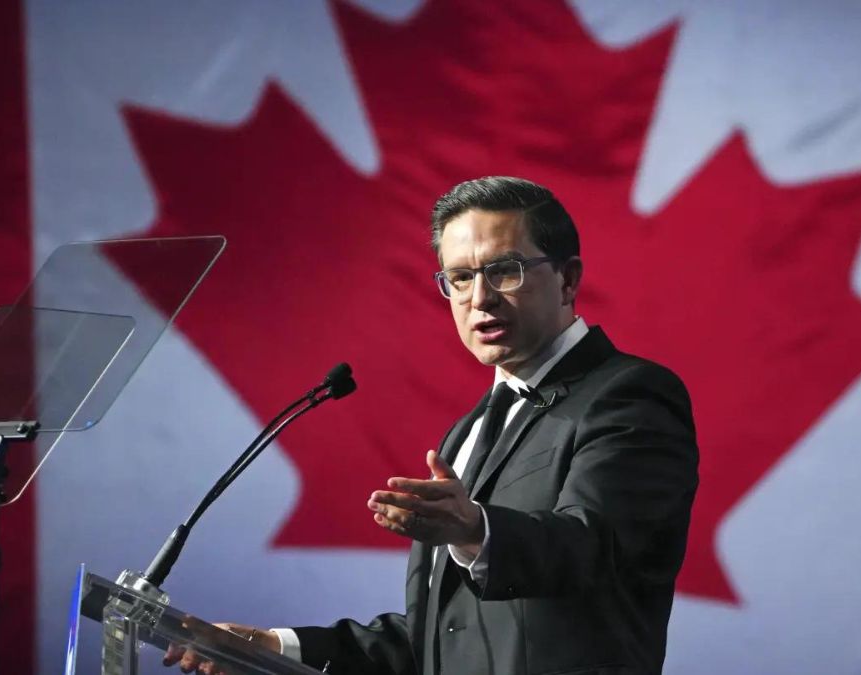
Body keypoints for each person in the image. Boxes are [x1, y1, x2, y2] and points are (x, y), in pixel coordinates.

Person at [166, 176, 699, 675]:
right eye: (461, 278)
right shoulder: (467, 433)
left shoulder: (628, 394)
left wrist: (475, 529)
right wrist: (277, 648)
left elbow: (594, 548)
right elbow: (438, 638)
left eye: (504, 270)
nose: (479, 298)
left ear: (568, 279)